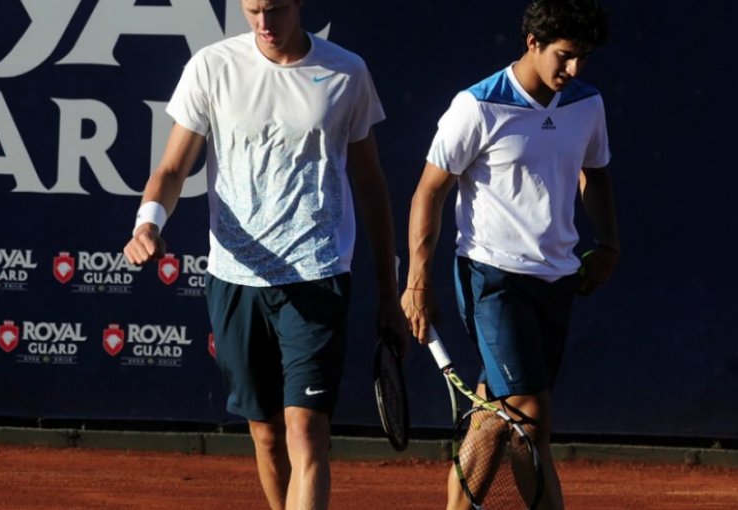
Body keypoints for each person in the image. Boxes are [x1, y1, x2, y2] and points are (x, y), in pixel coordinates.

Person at [123, 1, 407, 509]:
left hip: (317, 275)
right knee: (268, 436)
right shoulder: (212, 67)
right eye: (252, 10)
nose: (264, 24)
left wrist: (391, 292)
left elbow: (371, 187)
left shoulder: (347, 71)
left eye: (274, 9)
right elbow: (170, 169)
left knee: (305, 432)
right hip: (235, 278)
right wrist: (148, 222)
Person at [400, 1, 618, 508]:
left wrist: (608, 242)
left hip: (558, 278)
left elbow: (597, 174)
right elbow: (428, 191)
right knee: (530, 412)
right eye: (564, 56)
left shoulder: (588, 102)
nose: (574, 70)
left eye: (583, 58)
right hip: (492, 276)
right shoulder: (477, 106)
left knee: (499, 410)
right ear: (533, 43)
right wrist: (417, 279)